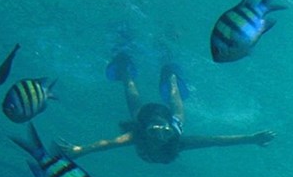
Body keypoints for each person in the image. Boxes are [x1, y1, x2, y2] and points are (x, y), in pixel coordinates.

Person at [59, 56, 272, 163]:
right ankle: (171, 77)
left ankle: (126, 71)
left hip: (147, 118)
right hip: (165, 120)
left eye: (158, 132)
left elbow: (107, 144)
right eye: (162, 133)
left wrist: (80, 150)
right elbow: (216, 140)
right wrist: (251, 138)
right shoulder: (175, 138)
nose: (161, 136)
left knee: (135, 104)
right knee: (177, 109)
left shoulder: (139, 134)